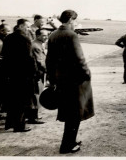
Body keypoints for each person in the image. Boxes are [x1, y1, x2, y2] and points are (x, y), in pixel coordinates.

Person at [46, 10, 95, 154]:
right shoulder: (72, 35)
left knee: (69, 113)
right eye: (75, 21)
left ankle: (70, 141)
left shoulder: (53, 35)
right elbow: (80, 59)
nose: (76, 24)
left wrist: (52, 79)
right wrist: (87, 74)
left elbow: (49, 60)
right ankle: (66, 145)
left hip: (61, 81)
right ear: (70, 20)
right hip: (75, 82)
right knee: (75, 114)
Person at [1, 19, 36, 132]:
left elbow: (4, 56)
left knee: (13, 99)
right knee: (22, 101)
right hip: (23, 75)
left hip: (11, 74)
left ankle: (9, 124)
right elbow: (30, 58)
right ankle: (19, 126)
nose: (29, 29)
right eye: (27, 26)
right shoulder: (25, 39)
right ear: (21, 26)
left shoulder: (8, 38)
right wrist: (34, 72)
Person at [26, 29, 49, 124]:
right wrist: (49, 71)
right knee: (35, 95)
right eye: (44, 35)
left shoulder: (37, 44)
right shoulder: (36, 46)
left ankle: (33, 116)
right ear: (38, 35)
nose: (46, 37)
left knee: (35, 94)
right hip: (36, 74)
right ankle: (32, 118)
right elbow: (40, 62)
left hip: (36, 73)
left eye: (47, 35)